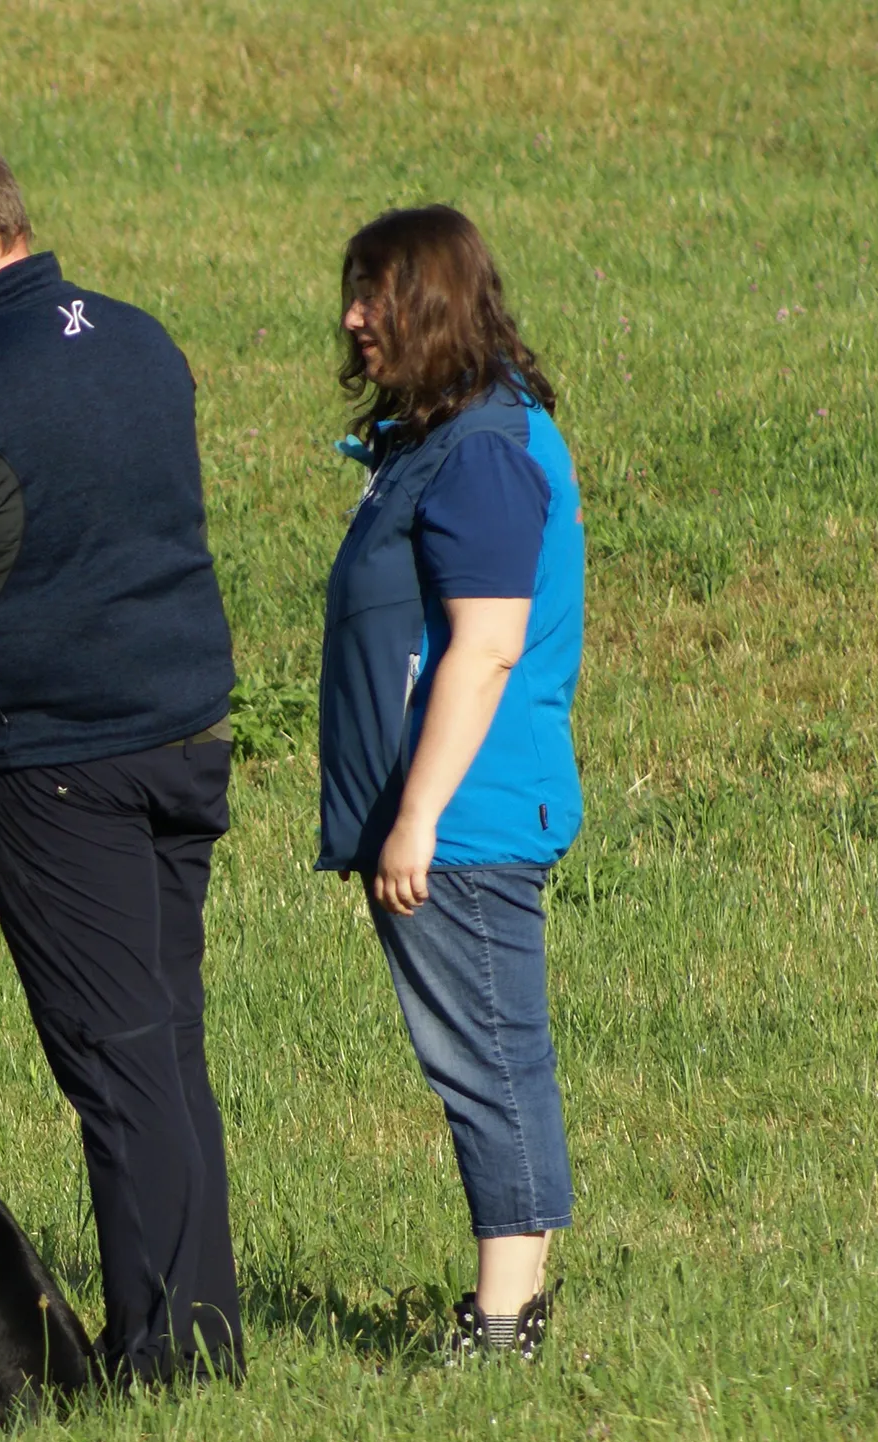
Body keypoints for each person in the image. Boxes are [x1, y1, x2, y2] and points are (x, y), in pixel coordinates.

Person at [0, 140, 242, 1386]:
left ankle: (169, 1365)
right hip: (189, 738)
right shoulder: (142, 340)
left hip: (65, 768)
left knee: (121, 1069)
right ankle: (201, 1342)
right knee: (165, 1047)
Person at [316, 205, 583, 1361]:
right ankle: (505, 1306)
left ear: (432, 303)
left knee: (489, 1058)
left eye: (375, 295)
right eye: (352, 292)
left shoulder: (481, 448)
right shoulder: (446, 433)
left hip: (463, 817)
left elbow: (486, 643)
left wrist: (416, 816)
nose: (352, 317)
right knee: (475, 1052)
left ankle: (507, 1320)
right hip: (442, 813)